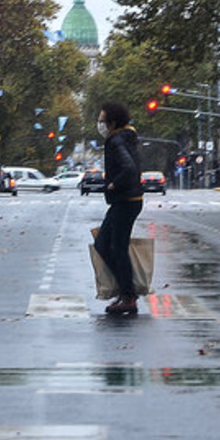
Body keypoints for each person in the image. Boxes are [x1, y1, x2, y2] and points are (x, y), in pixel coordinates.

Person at [94, 100, 144, 316]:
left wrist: (114, 183)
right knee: (104, 244)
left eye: (102, 121)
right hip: (126, 200)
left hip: (125, 200)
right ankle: (126, 291)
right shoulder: (125, 137)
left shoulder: (116, 140)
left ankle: (128, 295)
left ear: (112, 123)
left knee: (115, 247)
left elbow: (129, 168)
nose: (100, 125)